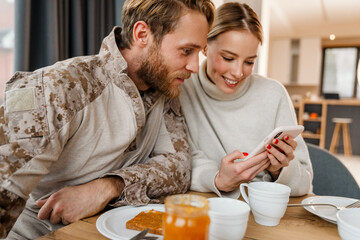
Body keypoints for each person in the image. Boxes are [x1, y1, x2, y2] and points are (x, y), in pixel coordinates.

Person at [0, 0, 215, 238]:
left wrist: (107, 187)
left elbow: (179, 169)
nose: (195, 66)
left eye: (199, 52)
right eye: (186, 51)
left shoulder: (164, 86)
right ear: (142, 34)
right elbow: (3, 189)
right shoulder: (58, 87)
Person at [180, 2, 313, 199]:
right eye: (228, 58)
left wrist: (279, 170)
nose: (238, 72)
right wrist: (216, 179)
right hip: (211, 207)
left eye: (249, 61)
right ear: (205, 47)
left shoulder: (274, 94)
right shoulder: (183, 89)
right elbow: (179, 162)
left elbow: (306, 181)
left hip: (267, 207)